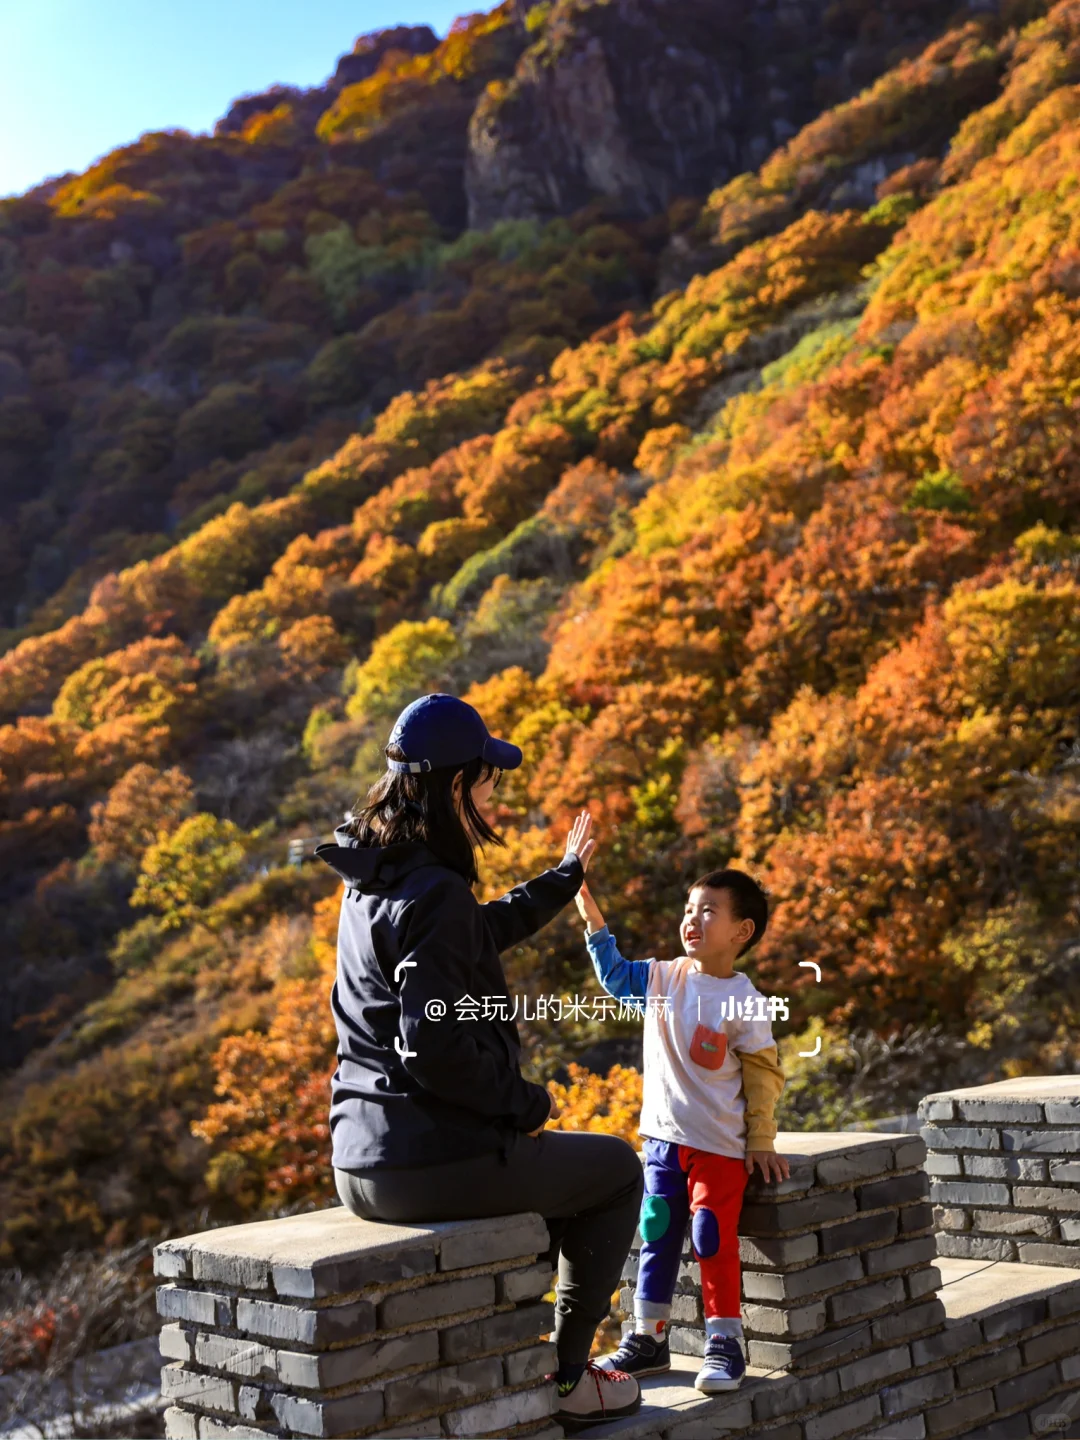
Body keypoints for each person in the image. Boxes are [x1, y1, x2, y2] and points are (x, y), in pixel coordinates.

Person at [315, 692, 643, 1430]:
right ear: (457, 785)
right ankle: (567, 1379)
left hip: (360, 1161)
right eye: (487, 779)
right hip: (427, 1162)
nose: (495, 793)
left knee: (564, 1172)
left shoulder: (377, 875)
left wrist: (558, 883)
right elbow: (431, 1042)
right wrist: (523, 1105)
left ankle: (535, 1353)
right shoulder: (432, 888)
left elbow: (468, 936)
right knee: (618, 1172)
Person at [575, 868, 790, 1394]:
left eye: (709, 910)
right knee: (655, 1232)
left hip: (717, 1149)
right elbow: (612, 973)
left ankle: (725, 1343)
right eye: (689, 910)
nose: (693, 919)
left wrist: (761, 1140)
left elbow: (763, 1075)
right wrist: (588, 909)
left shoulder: (745, 1000)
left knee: (710, 1238)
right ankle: (648, 1339)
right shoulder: (662, 979)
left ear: (742, 931)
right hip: (662, 1143)